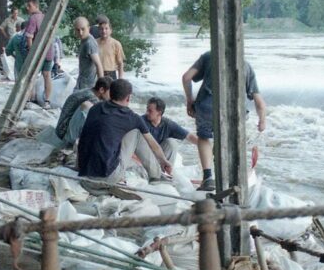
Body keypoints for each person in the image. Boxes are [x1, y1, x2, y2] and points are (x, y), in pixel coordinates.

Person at [182, 51, 267, 191]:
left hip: (207, 106)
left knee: (204, 137)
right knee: (225, 139)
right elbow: (259, 101)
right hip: (235, 112)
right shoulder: (246, 67)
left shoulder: (209, 56)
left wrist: (189, 100)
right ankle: (225, 176)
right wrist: (262, 120)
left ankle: (208, 177)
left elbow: (186, 78)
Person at [77, 78, 171, 183]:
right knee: (136, 133)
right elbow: (153, 144)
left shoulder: (95, 108)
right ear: (128, 98)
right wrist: (164, 161)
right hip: (106, 176)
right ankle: (156, 175)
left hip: (83, 170)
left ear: (110, 93)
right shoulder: (131, 117)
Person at [136, 97, 197, 181]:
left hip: (159, 158)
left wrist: (205, 145)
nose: (147, 112)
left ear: (159, 112)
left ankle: (166, 172)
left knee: (171, 143)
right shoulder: (141, 121)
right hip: (142, 158)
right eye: (147, 109)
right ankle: (153, 173)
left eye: (150, 111)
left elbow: (189, 136)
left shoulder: (168, 124)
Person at [55, 76, 112, 146]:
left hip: (63, 128)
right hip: (63, 132)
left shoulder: (90, 91)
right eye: (110, 93)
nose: (111, 96)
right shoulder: (91, 97)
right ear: (102, 90)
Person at [23, 0, 55, 108]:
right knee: (47, 75)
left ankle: (29, 99)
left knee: (32, 76)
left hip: (38, 53)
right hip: (49, 51)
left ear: (36, 6)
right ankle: (47, 101)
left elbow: (29, 36)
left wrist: (31, 52)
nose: (27, 8)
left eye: (29, 6)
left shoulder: (33, 18)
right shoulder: (46, 17)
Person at [72, 16, 103, 91]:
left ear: (88, 28)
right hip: (82, 82)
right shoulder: (84, 40)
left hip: (89, 85)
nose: (81, 32)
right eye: (78, 30)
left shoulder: (89, 43)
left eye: (83, 29)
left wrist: (101, 86)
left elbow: (98, 65)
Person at [95, 14, 124, 80]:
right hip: (97, 74)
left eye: (106, 28)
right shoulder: (94, 43)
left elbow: (120, 63)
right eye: (101, 29)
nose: (104, 31)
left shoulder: (116, 44)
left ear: (111, 30)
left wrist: (120, 79)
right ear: (99, 30)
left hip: (111, 75)